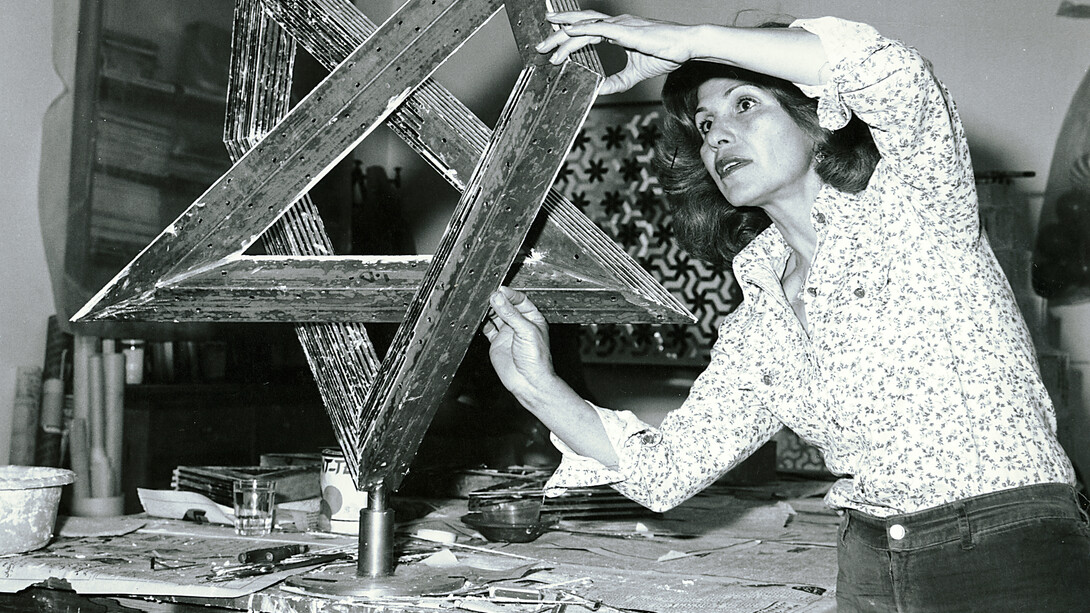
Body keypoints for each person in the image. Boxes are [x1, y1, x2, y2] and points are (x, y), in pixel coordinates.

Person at [481, 9, 1090, 613]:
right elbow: (667, 470)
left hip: (1008, 547)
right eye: (705, 125)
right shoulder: (761, 315)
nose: (716, 136)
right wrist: (537, 385)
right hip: (870, 562)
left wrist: (691, 41)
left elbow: (894, 75)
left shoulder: (914, 205)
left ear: (821, 117)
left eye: (745, 105)